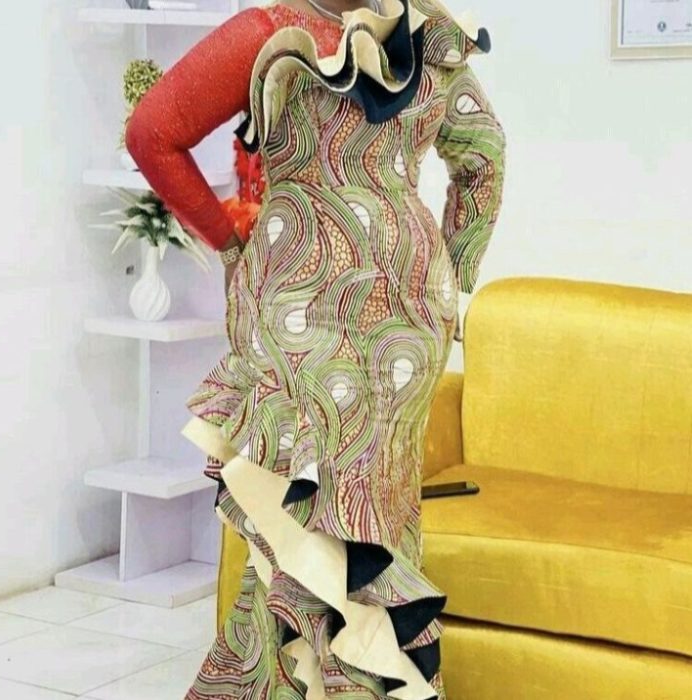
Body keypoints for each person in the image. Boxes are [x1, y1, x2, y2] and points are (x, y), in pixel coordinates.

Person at [125, 0, 505, 696]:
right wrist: (452, 272)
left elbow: (153, 134)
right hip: (405, 315)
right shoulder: (424, 37)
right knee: (368, 519)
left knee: (307, 510)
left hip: (297, 296)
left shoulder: (272, 32)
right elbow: (485, 158)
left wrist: (230, 242)